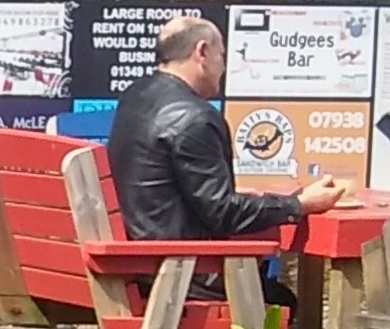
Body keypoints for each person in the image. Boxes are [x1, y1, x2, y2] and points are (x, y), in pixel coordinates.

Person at [107, 16, 344, 305]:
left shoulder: (136, 95)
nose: (224, 67)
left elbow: (171, 189)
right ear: (202, 52)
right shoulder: (194, 117)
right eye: (222, 56)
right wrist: (300, 204)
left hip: (140, 265)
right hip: (178, 274)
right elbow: (223, 214)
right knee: (279, 302)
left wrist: (261, 201)